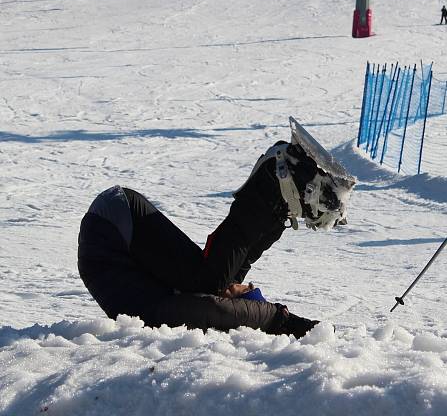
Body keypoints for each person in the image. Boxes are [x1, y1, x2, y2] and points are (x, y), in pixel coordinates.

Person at [77, 138, 354, 338]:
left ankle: (273, 185)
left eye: (248, 290)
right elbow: (239, 260)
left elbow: (224, 310)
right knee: (216, 277)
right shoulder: (179, 302)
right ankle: (279, 193)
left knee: (212, 280)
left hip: (110, 233)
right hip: (115, 227)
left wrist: (279, 321)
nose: (246, 285)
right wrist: (294, 324)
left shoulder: (185, 306)